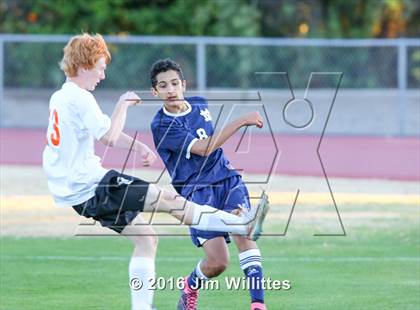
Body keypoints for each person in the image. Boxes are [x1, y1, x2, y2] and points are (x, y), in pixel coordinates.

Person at [42, 34, 267, 310]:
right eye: (100, 67)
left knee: (147, 239)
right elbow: (110, 137)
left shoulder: (62, 96)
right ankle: (241, 224)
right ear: (85, 65)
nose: (102, 74)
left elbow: (103, 130)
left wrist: (139, 148)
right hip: (91, 183)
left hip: (75, 193)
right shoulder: (81, 98)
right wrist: (123, 103)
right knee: (171, 202)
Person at [150, 58, 269, 310]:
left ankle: (258, 305)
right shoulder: (161, 125)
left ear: (183, 84)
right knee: (218, 263)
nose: (170, 90)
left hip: (226, 178)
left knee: (244, 234)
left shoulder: (199, 104)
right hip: (196, 191)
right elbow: (205, 147)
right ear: (155, 92)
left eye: (174, 83)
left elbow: (211, 147)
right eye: (163, 86)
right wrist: (241, 120)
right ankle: (190, 285)